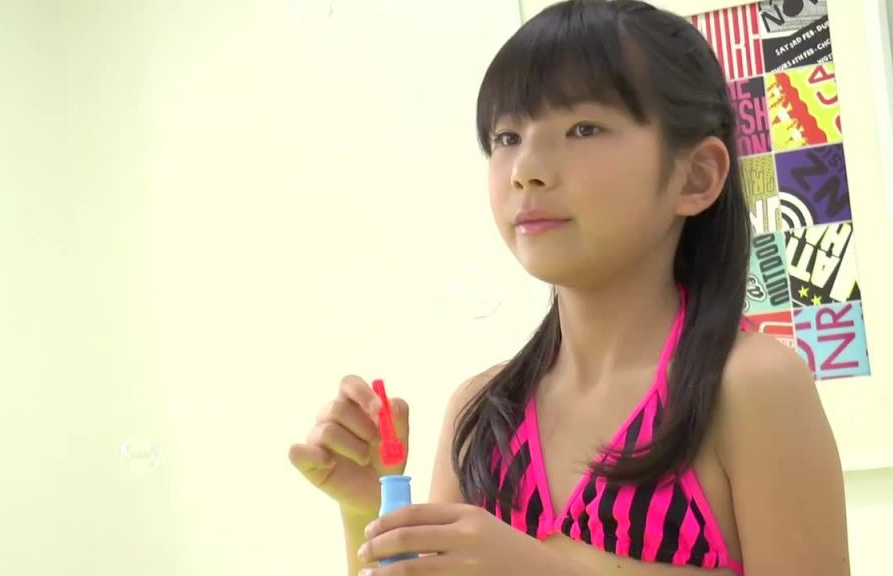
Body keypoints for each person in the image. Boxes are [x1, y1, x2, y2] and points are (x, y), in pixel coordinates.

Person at [288, 1, 849, 574]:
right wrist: (370, 512)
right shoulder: (479, 415)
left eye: (583, 128)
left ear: (696, 176)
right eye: (506, 136)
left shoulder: (750, 385)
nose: (525, 169)